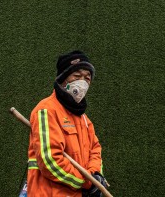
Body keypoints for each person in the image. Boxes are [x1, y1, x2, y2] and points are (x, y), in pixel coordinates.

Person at [25, 51, 110, 196]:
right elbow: (50, 161)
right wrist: (87, 183)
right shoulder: (46, 110)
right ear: (63, 78)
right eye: (77, 76)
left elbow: (96, 151)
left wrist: (96, 176)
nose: (82, 82)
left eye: (87, 78)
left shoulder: (84, 119)